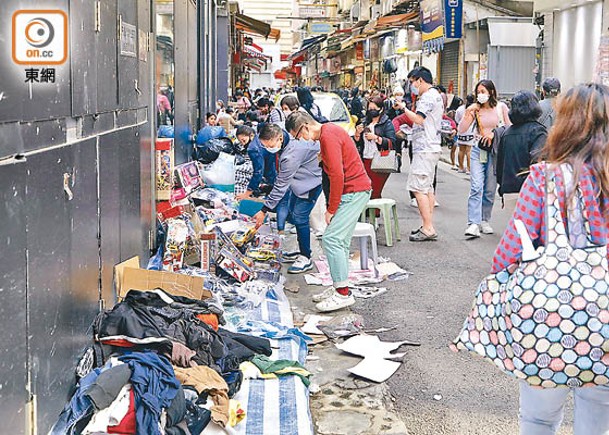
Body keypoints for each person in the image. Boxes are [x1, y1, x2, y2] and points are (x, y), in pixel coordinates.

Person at [490, 83, 609, 435]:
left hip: (550, 318)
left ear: (564, 124)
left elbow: (508, 252)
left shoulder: (545, 177)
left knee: (539, 421)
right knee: (597, 425)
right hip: (606, 322)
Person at [286, 111, 371, 312]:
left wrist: (331, 209)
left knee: (332, 239)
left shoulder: (328, 135)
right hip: (351, 191)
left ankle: (342, 293)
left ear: (305, 127)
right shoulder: (328, 133)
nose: (301, 140)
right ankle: (339, 286)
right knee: (338, 241)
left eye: (299, 136)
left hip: (354, 191)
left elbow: (336, 174)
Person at [252, 124, 322, 274]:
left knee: (299, 217)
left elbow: (280, 185)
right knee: (294, 214)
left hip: (311, 183)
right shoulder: (286, 142)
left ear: (279, 138)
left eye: (269, 145)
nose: (268, 148)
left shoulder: (291, 155)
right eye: (264, 146)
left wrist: (264, 210)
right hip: (301, 182)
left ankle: (305, 257)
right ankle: (301, 250)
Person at [458, 79, 511, 238]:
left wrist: (493, 133)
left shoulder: (501, 108)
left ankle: (484, 219)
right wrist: (469, 113)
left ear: (491, 92)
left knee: (489, 188)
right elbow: (461, 130)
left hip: (495, 152)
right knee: (476, 185)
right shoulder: (474, 109)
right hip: (477, 149)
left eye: (483, 92)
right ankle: (473, 223)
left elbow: (509, 128)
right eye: (478, 92)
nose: (480, 95)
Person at [400, 66, 444, 242]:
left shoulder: (427, 97)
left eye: (413, 82)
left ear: (420, 80)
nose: (412, 86)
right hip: (430, 146)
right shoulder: (436, 96)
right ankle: (428, 224)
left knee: (418, 188)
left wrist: (404, 108)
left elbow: (419, 118)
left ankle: (428, 227)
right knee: (427, 188)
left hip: (425, 147)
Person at [496, 90, 547, 201]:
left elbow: (499, 165)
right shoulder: (538, 131)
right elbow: (538, 162)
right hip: (529, 192)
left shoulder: (507, 133)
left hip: (508, 190)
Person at [353, 96, 397, 200]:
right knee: (366, 188)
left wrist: (376, 138)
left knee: (376, 189)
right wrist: (357, 134)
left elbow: (392, 142)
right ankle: (369, 211)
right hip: (365, 160)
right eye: (370, 109)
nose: (371, 111)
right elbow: (357, 143)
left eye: (374, 109)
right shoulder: (364, 123)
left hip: (380, 161)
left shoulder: (386, 123)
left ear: (381, 109)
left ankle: (374, 211)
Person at [235, 124, 280, 201]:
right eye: (240, 141)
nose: (243, 144)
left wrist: (247, 193)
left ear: (251, 135)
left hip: (271, 175)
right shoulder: (259, 139)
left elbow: (258, 172)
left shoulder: (254, 148)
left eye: (244, 140)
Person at [455, 94, 475, 174]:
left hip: (461, 130)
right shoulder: (474, 109)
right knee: (469, 151)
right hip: (471, 131)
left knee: (461, 150)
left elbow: (457, 119)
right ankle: (469, 168)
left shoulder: (460, 109)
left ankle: (460, 167)